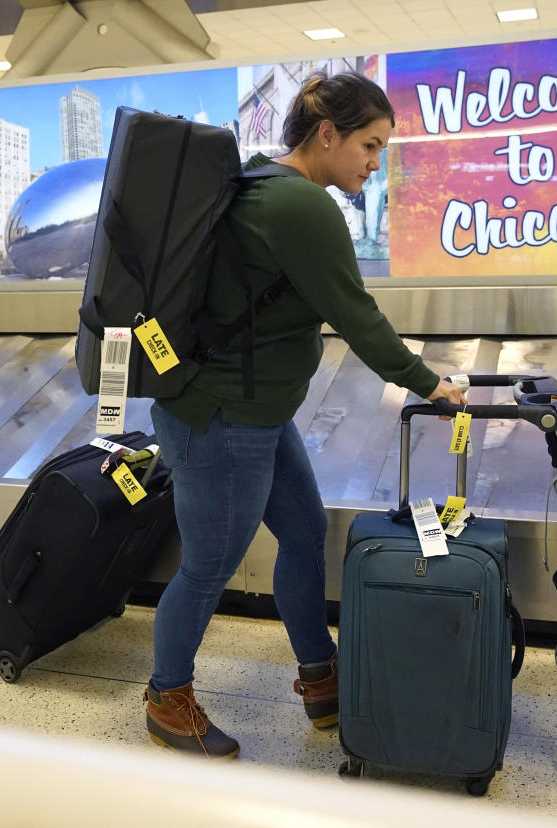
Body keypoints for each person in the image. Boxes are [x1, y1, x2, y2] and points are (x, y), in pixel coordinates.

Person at [143, 71, 468, 759]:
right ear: (327, 134)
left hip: (249, 415)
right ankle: (166, 697)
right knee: (208, 564)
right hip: (223, 418)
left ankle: (320, 676)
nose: (374, 164)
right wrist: (426, 384)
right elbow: (355, 313)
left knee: (303, 530)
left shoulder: (262, 184)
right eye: (370, 146)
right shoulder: (301, 207)